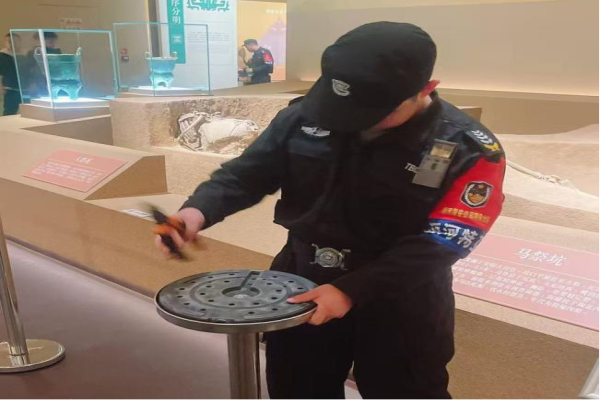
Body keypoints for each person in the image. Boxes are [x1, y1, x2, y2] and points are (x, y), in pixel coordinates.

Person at [156, 22, 506, 400]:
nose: (347, 120)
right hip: (301, 280)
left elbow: (443, 241)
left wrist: (352, 290)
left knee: (406, 389)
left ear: (425, 89)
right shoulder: (306, 115)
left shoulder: (468, 148)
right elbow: (247, 174)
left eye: (369, 111)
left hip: (402, 294)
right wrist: (196, 212)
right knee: (298, 387)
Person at [0, 33, 22, 115]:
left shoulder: (23, 54)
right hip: (9, 88)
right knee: (10, 111)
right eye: (8, 41)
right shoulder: (2, 56)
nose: (11, 43)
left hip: (23, 88)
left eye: (14, 41)